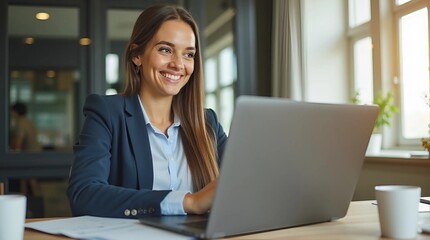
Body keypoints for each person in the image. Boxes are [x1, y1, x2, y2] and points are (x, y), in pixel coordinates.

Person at [67, 4, 228, 219]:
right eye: (165, 50)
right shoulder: (107, 113)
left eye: (188, 54)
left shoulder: (207, 122)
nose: (178, 64)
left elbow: (243, 182)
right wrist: (189, 202)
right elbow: (83, 195)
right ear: (137, 55)